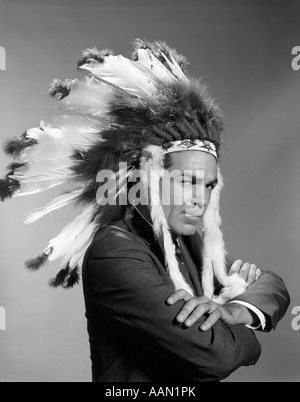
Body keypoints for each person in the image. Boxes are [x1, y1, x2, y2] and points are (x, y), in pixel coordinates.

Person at [0, 39, 290, 382]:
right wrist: (242, 325)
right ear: (151, 178)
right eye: (187, 181)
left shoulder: (189, 243)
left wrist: (238, 309)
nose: (201, 198)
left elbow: (273, 284)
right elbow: (218, 354)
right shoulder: (115, 251)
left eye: (209, 185)